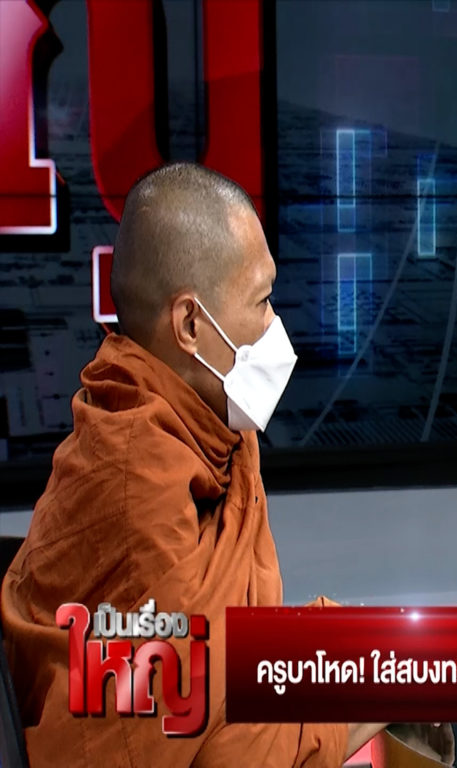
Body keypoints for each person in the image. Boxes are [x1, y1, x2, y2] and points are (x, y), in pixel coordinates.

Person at [1, 163, 380, 766]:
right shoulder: (130, 480)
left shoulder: (216, 427)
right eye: (262, 301)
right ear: (190, 324)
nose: (275, 326)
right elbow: (202, 746)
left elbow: (230, 657)